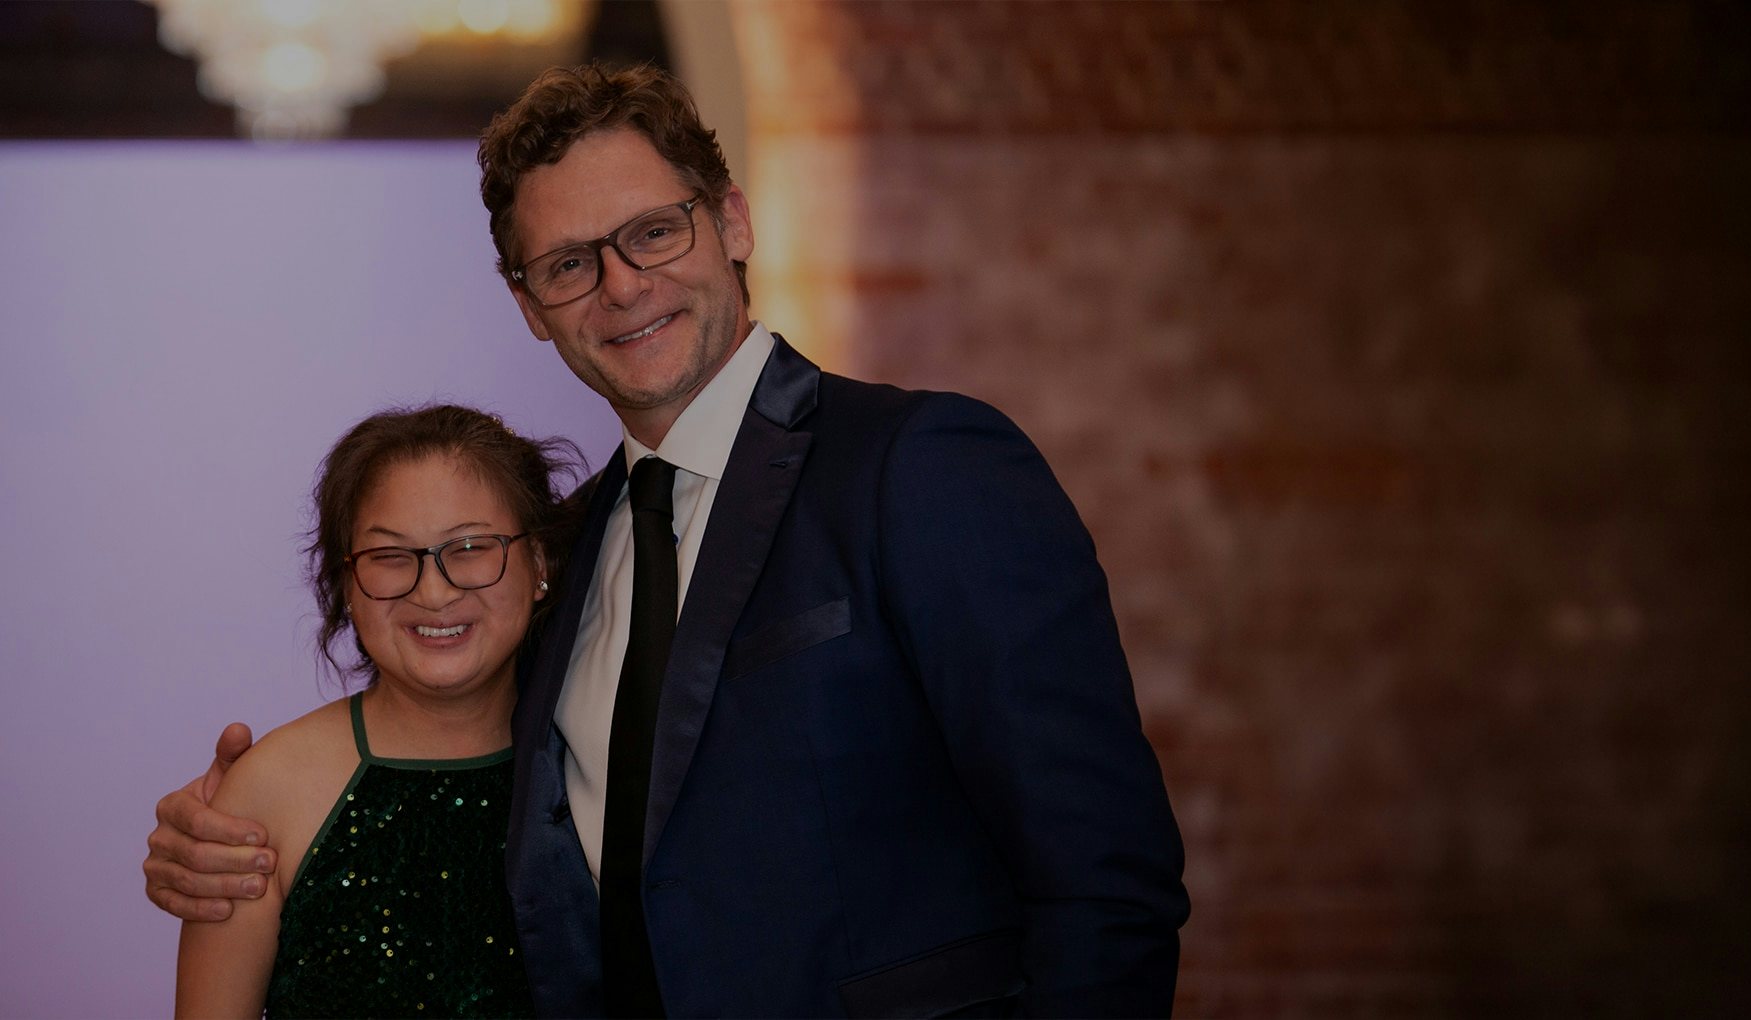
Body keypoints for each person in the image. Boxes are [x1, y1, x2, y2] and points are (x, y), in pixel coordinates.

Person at [147, 63, 1189, 1017]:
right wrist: (232, 831)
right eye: (567, 264)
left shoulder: (920, 466)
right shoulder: (563, 553)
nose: (621, 286)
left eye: (653, 231)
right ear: (528, 307)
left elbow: (1107, 883)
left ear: (731, 223)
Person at [174, 404, 575, 1017]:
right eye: (390, 557)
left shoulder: (597, 757)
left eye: (469, 547)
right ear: (346, 586)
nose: (434, 592)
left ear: (539, 564)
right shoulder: (268, 792)